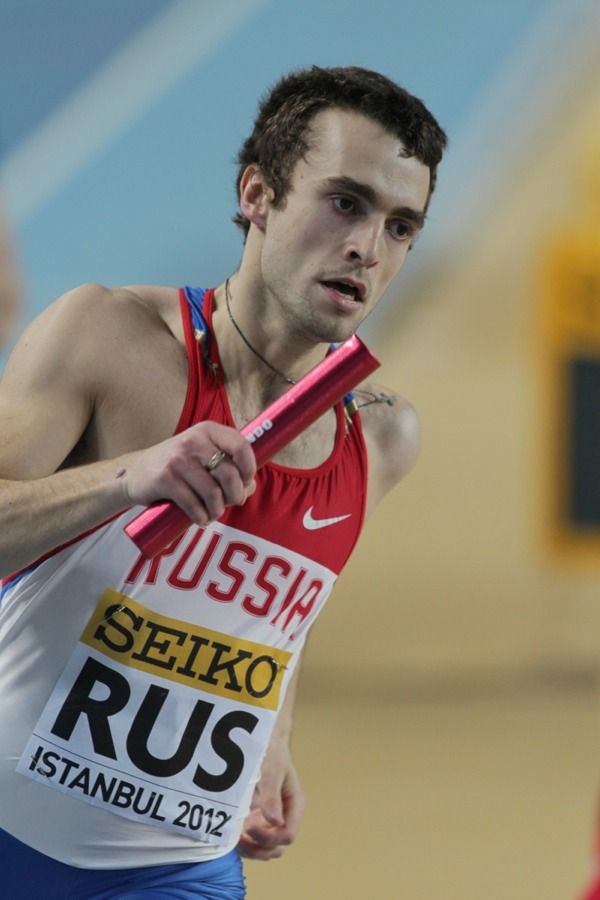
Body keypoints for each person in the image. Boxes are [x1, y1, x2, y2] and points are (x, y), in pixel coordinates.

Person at [0, 65, 447, 898]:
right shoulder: (106, 338)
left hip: (180, 867)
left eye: (400, 226)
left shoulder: (383, 437)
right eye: (344, 202)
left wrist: (273, 735)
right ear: (257, 194)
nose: (367, 247)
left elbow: (279, 612)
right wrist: (126, 477)